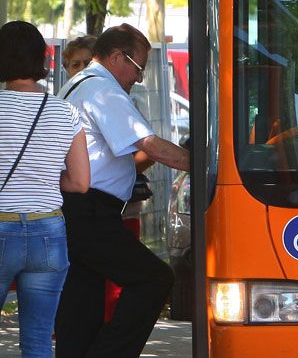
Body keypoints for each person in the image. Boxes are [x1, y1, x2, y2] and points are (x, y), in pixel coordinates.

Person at [55, 23, 190, 357]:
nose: (139, 78)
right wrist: (206, 166)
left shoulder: (77, 85)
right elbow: (151, 146)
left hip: (76, 208)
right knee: (154, 279)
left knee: (81, 305)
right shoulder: (103, 90)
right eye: (138, 67)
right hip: (88, 209)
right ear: (117, 57)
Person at [0, 21, 90, 358]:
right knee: (39, 339)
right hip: (48, 230)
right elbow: (80, 182)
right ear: (42, 59)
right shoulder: (66, 112)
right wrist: (42, 178)